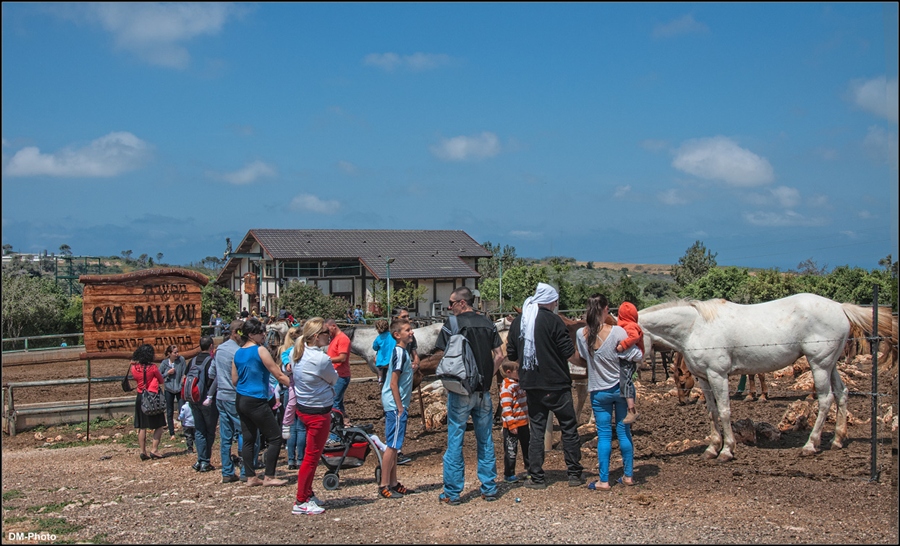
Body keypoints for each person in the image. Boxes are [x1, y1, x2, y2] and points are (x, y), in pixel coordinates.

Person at [506, 282, 585, 489]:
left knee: (537, 430)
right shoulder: (554, 321)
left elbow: (512, 355)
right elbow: (569, 353)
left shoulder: (519, 323)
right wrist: (589, 365)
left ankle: (537, 477)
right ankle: (574, 473)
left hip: (531, 385)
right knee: (568, 427)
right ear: (551, 301)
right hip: (557, 383)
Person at [435, 286, 505, 505]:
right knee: (485, 440)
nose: (449, 307)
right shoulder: (488, 323)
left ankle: (452, 492)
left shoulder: (453, 324)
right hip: (483, 392)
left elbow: (443, 355)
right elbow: (500, 355)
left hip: (459, 390)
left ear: (462, 303)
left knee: (455, 440)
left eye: (451, 303)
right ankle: (489, 488)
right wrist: (485, 377)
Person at [570, 293, 635, 491]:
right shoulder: (617, 332)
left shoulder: (582, 334)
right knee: (624, 432)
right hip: (620, 388)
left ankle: (603, 480)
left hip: (598, 390)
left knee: (604, 435)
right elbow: (630, 357)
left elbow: (582, 358)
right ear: (606, 309)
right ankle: (628, 475)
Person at [231, 318, 291, 487]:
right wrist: (296, 386)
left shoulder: (238, 352)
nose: (264, 335)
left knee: (249, 438)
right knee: (275, 437)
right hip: (257, 398)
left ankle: (250, 476)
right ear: (251, 335)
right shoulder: (260, 350)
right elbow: (278, 374)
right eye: (260, 333)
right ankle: (269, 476)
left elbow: (234, 380)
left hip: (241, 398)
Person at [291, 318, 339, 516]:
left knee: (311, 455)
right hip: (318, 412)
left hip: (304, 407)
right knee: (311, 458)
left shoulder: (298, 353)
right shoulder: (321, 359)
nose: (329, 336)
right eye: (327, 334)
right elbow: (333, 379)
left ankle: (307, 493)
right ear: (317, 336)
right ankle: (301, 500)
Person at [379, 318, 415, 499]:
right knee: (392, 446)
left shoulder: (402, 352)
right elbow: (394, 382)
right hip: (395, 405)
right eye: (407, 330)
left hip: (396, 403)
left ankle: (393, 482)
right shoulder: (400, 353)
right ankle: (384, 484)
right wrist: (400, 406)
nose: (411, 332)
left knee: (395, 445)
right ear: (397, 334)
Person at [208, 319, 246, 483]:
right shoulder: (238, 352)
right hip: (234, 394)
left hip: (221, 395)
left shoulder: (220, 350)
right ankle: (245, 470)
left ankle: (227, 471)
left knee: (225, 436)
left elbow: (211, 373)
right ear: (236, 332)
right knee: (245, 432)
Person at [130, 344, 165, 461]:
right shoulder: (153, 368)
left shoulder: (134, 368)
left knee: (142, 426)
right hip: (152, 397)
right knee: (159, 424)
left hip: (140, 396)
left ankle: (142, 451)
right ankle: (154, 449)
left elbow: (135, 378)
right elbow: (161, 380)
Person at [188, 336, 218, 473]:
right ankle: (205, 461)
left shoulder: (192, 361)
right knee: (209, 431)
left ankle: (200, 459)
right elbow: (212, 380)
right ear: (211, 346)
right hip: (207, 400)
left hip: (193, 400)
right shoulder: (210, 361)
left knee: (199, 430)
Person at [278, 326, 305, 470]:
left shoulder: (287, 351)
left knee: (291, 426)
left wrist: (287, 364)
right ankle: (300, 458)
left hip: (290, 389)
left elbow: (284, 364)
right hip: (302, 391)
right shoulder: (305, 352)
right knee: (301, 428)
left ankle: (290, 459)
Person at [499, 361, 530, 483]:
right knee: (511, 450)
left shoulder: (519, 384)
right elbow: (506, 408)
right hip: (512, 425)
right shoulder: (507, 387)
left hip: (523, 423)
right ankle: (509, 473)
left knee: (527, 447)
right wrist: (511, 424)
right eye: (518, 371)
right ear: (509, 372)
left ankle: (530, 469)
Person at [615, 301, 644, 425]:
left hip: (632, 353)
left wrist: (623, 345)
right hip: (632, 353)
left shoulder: (630, 326)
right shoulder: (629, 324)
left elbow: (634, 337)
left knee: (625, 381)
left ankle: (632, 410)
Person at [325, 319, 352, 417]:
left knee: (335, 402)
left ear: (333, 326)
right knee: (338, 402)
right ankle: (344, 422)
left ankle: (335, 428)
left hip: (341, 375)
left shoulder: (342, 339)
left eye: (328, 329)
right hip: (336, 375)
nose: (327, 332)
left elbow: (342, 358)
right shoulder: (334, 338)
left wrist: (326, 360)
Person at [158, 344, 186, 440]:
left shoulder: (181, 360)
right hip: (169, 389)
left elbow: (184, 372)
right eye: (175, 352)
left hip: (179, 388)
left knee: (182, 409)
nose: (177, 354)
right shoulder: (164, 363)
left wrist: (183, 381)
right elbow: (159, 376)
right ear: (169, 354)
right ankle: (172, 433)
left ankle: (186, 430)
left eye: (177, 352)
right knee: (169, 411)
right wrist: (167, 373)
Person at [372, 319, 393, 385]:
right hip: (391, 359)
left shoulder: (378, 338)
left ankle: (380, 379)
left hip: (381, 360)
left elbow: (375, 347)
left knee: (380, 368)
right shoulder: (392, 336)